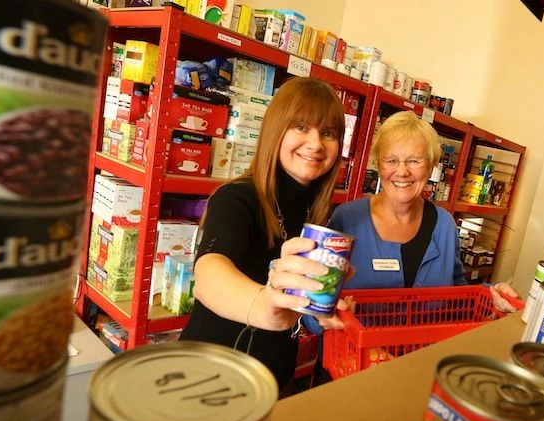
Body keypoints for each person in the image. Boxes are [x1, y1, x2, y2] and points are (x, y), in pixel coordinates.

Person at [301, 110, 521, 383]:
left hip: (419, 371)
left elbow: (458, 292)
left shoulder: (443, 224)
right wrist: (322, 315)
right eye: (391, 160)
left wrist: (491, 295)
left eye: (414, 161)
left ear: (431, 167)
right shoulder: (347, 218)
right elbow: (313, 311)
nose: (402, 171)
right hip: (350, 373)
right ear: (378, 165)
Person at [179, 77, 350, 393]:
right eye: (301, 127)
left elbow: (296, 301)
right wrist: (266, 307)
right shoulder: (236, 198)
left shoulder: (319, 215)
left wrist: (320, 304)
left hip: (271, 382)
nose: (315, 144)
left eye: (328, 133)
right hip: (206, 380)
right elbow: (209, 276)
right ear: (275, 131)